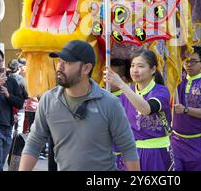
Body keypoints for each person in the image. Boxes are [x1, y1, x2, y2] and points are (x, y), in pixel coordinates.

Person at [20, 40, 139, 171]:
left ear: (86, 68)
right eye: (60, 61)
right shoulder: (48, 100)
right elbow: (34, 143)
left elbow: (127, 148)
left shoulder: (110, 103)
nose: (60, 66)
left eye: (68, 62)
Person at [105, 49, 173, 171]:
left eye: (140, 66)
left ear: (152, 69)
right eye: (132, 66)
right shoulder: (126, 92)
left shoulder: (161, 91)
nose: (135, 70)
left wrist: (121, 84)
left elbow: (146, 109)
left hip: (156, 152)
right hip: (131, 153)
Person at [170, 46, 201, 171]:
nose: (189, 64)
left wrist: (186, 110)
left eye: (193, 61)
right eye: (186, 60)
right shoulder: (177, 80)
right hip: (175, 141)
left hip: (197, 142)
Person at [110, 58, 131, 171]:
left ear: (122, 79)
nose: (106, 79)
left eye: (111, 77)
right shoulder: (101, 95)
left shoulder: (129, 97)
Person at [7, 59, 29, 136]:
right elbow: (26, 95)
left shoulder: (6, 79)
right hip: (20, 107)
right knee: (19, 129)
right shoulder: (22, 80)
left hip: (9, 107)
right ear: (18, 68)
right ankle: (17, 147)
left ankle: (10, 146)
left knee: (11, 129)